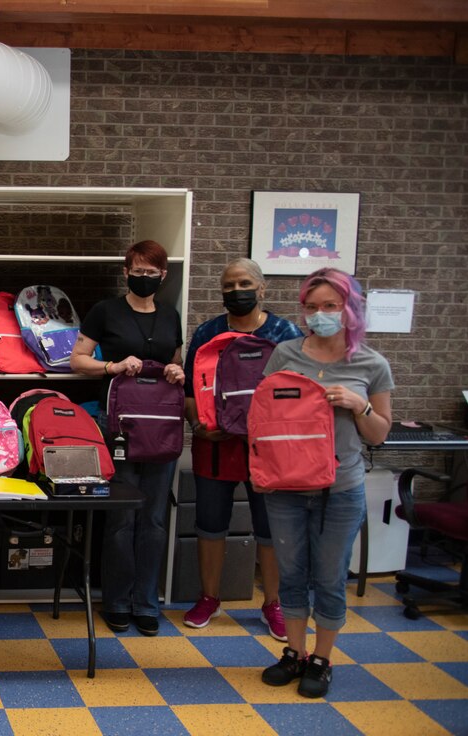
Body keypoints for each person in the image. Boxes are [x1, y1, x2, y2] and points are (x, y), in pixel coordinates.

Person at [258, 267, 392, 699]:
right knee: (291, 572)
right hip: (286, 487)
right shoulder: (285, 354)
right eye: (312, 307)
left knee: (330, 576)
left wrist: (359, 406)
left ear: (350, 309)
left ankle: (322, 658)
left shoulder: (371, 364)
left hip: (342, 487)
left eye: (330, 306)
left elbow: (380, 435)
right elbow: (264, 420)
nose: (319, 314)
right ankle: (294, 653)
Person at [181, 258, 303, 640]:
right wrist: (198, 425)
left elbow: (298, 392)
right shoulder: (208, 332)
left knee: (270, 529)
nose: (237, 291)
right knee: (210, 523)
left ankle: (273, 604)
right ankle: (209, 598)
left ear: (262, 288)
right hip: (215, 446)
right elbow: (188, 390)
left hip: (268, 449)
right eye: (229, 286)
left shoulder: (285, 333)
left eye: (244, 284)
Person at [70, 239, 185, 637]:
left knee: (154, 519)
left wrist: (177, 373)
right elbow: (77, 360)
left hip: (163, 424)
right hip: (118, 422)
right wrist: (113, 365)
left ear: (163, 276)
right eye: (137, 271)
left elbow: (177, 363)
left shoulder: (171, 316)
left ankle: (146, 602)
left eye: (151, 273)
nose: (144, 278)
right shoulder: (106, 311)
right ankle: (116, 601)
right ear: (125, 272)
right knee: (120, 517)